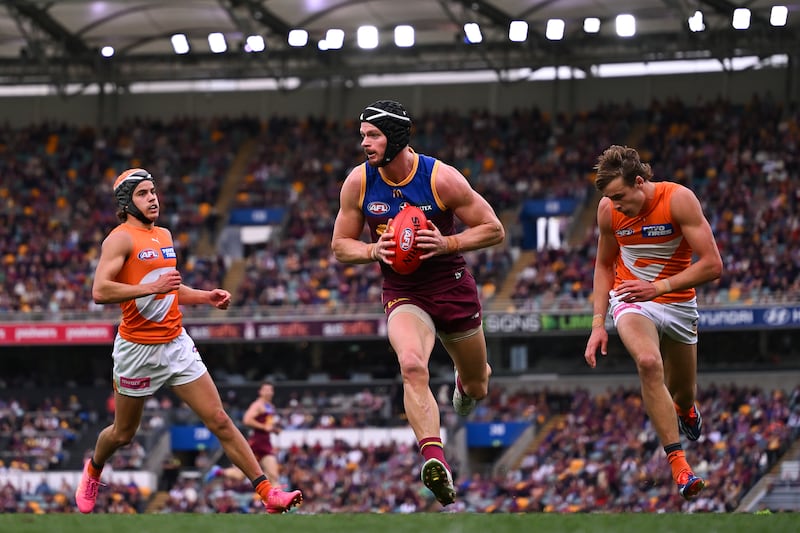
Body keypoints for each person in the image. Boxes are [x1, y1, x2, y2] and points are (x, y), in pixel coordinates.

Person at [75, 168, 302, 514]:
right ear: (126, 202)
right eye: (143, 194)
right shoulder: (118, 239)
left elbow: (170, 288)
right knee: (123, 434)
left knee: (221, 420)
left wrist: (204, 297)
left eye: (153, 191)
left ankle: (268, 493)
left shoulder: (164, 235)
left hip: (175, 343)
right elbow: (100, 290)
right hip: (137, 350)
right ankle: (93, 470)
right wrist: (152, 288)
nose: (153, 198)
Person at [331, 100, 505, 506]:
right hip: (404, 292)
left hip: (452, 286)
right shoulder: (358, 182)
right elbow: (340, 246)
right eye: (362, 136)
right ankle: (435, 459)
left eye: (372, 135)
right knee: (411, 364)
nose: (364, 144)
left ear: (395, 137)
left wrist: (448, 242)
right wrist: (375, 251)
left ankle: (464, 383)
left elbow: (493, 229)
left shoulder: (440, 178)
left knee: (479, 384)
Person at [583, 146, 723, 501]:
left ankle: (686, 407)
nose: (614, 205)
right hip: (631, 299)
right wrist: (598, 323)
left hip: (677, 302)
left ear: (640, 182)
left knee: (683, 390)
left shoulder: (678, 200)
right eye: (609, 199)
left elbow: (712, 265)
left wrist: (657, 287)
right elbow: (603, 265)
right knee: (647, 362)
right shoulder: (608, 211)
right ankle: (680, 466)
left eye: (619, 196)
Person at [206, 381, 283, 485]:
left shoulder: (270, 406)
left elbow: (267, 425)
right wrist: (264, 427)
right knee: (241, 475)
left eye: (270, 390)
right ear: (260, 392)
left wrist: (274, 430)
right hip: (256, 444)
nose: (269, 392)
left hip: (266, 445)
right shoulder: (257, 405)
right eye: (266, 390)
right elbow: (247, 420)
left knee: (274, 475)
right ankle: (218, 471)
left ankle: (278, 500)